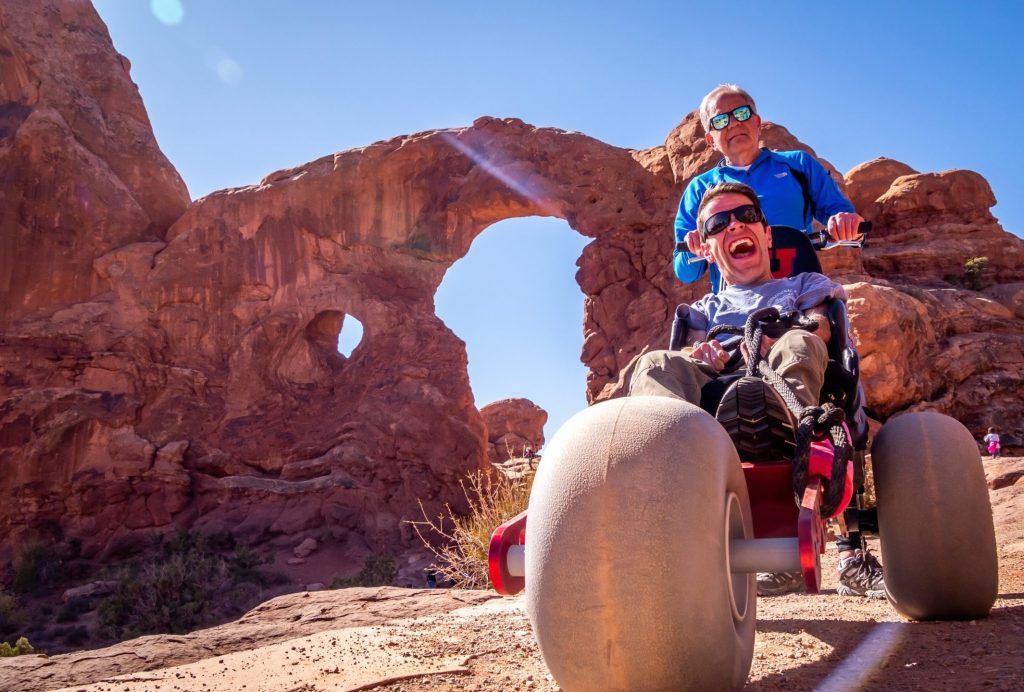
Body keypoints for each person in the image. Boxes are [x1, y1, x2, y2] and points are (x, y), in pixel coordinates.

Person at [628, 181, 885, 599]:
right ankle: (662, 471)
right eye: (718, 224)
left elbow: (822, 327)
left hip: (786, 384)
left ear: (767, 235)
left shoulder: (803, 284)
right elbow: (687, 353)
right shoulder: (703, 310)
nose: (734, 226)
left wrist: (780, 332)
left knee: (800, 342)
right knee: (655, 364)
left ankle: (784, 435)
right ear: (708, 250)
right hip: (717, 396)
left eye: (746, 216)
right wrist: (703, 353)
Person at [674, 84, 864, 293]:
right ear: (710, 140)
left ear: (757, 123)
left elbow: (846, 220)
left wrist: (846, 222)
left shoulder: (799, 165)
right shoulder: (700, 188)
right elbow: (685, 272)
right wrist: (693, 246)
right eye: (720, 121)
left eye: (741, 113)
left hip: (800, 293)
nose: (734, 123)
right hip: (736, 302)